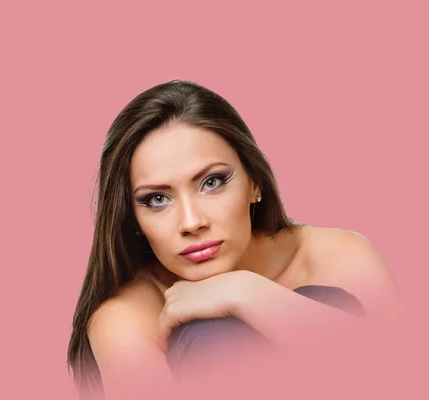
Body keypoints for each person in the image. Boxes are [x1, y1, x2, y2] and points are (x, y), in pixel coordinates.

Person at [66, 80, 398, 399]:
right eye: (157, 199)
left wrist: (246, 293)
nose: (192, 222)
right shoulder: (126, 317)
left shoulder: (340, 256)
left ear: (255, 182)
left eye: (211, 182)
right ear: (134, 220)